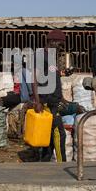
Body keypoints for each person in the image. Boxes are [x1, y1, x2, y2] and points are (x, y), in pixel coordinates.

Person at [32, 29, 67, 163]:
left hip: (54, 100)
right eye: (60, 44)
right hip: (46, 101)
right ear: (52, 42)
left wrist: (62, 97)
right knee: (59, 133)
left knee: (49, 135)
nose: (61, 47)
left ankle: (45, 162)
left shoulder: (52, 58)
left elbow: (55, 79)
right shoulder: (40, 56)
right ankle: (62, 164)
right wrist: (37, 101)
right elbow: (34, 79)